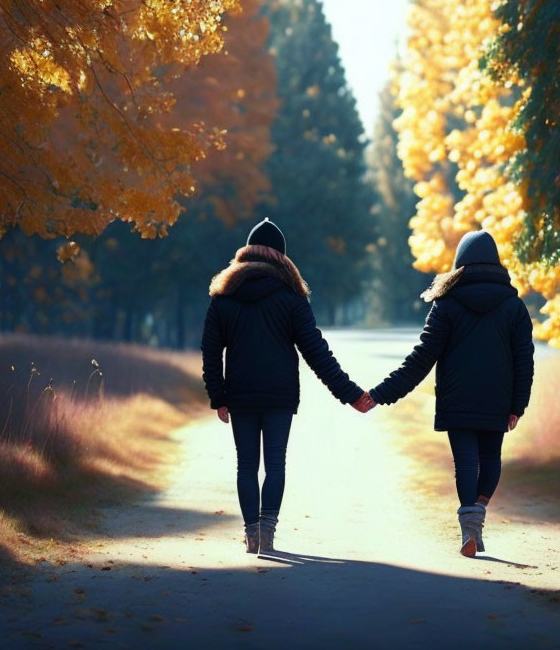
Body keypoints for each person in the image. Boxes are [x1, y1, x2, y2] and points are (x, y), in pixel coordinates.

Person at [201, 218, 375, 554]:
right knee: (276, 463)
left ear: (245, 254)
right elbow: (316, 352)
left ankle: (251, 534)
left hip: (240, 394)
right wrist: (351, 395)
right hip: (280, 395)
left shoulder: (223, 297)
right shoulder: (292, 297)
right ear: (281, 257)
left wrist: (218, 395)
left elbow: (210, 352)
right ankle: (267, 533)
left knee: (246, 465)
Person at [368, 230, 534, 557]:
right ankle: (477, 517)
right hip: (497, 401)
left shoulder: (446, 306)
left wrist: (379, 394)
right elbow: (524, 362)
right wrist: (518, 404)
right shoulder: (515, 307)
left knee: (466, 463)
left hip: (457, 401)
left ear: (460, 265)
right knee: (490, 459)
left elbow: (420, 359)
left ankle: (469, 529)